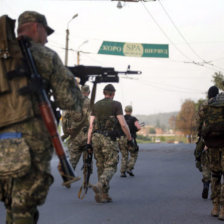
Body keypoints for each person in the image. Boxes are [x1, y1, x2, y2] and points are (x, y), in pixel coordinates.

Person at [0, 11, 83, 224]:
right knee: (24, 207)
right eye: (46, 33)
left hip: (2, 141)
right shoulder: (45, 55)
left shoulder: (3, 57)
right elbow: (68, 102)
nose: (46, 39)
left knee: (12, 202)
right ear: (37, 27)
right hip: (31, 142)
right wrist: (75, 86)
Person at [87, 84, 133, 203]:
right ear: (113, 94)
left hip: (95, 138)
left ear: (104, 93)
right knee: (111, 165)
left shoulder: (95, 105)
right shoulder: (116, 104)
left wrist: (88, 143)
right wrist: (129, 138)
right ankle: (100, 184)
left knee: (100, 165)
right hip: (108, 138)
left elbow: (91, 126)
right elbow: (123, 124)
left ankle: (104, 195)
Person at [199, 86, 224, 219]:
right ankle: (223, 209)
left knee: (215, 175)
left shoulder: (207, 105)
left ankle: (215, 207)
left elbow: (201, 123)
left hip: (212, 143)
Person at [61, 85, 91, 178]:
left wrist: (66, 133)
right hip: (87, 136)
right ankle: (86, 180)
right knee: (87, 159)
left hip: (74, 135)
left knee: (73, 159)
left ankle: (68, 177)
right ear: (88, 92)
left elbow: (64, 118)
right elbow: (94, 120)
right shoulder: (91, 103)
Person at [195, 92, 213, 199]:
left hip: (207, 139)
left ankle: (206, 184)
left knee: (205, 163)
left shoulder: (204, 106)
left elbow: (198, 123)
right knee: (218, 168)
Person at [118, 105, 141, 177]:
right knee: (134, 154)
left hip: (121, 139)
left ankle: (122, 172)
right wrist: (135, 130)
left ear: (125, 111)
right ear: (131, 111)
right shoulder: (134, 119)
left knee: (124, 155)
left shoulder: (121, 118)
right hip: (130, 138)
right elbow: (139, 127)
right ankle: (129, 168)